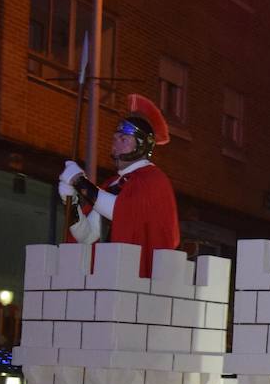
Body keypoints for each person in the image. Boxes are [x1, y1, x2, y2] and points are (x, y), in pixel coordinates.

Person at [59, 94, 180, 278]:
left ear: (141, 146)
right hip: (107, 273)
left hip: (135, 277)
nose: (115, 144)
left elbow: (121, 211)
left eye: (123, 139)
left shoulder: (154, 180)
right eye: (115, 138)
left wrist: (79, 181)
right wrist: (72, 203)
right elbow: (87, 236)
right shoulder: (111, 184)